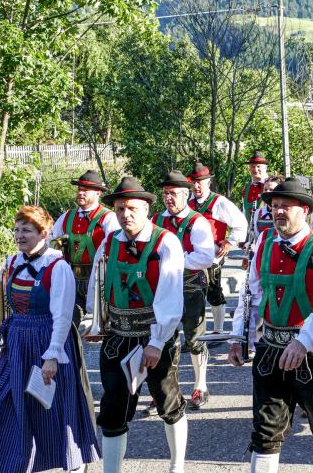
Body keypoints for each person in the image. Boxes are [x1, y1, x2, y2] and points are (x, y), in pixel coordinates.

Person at [227, 178, 313, 473]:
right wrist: (237, 336)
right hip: (270, 348)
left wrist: (303, 341)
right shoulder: (264, 242)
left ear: (304, 210)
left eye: (286, 207)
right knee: (265, 432)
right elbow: (252, 294)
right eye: (275, 206)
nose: (278, 212)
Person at [0, 206, 100, 473]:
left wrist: (52, 356)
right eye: (17, 229)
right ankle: (4, 464)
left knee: (55, 412)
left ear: (44, 233)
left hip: (48, 343)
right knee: (3, 405)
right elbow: (3, 303)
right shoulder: (11, 262)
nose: (19, 236)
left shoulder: (58, 267)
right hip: (17, 344)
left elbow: (63, 316)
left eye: (26, 230)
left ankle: (74, 465)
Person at [85, 177, 187, 473]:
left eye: (131, 208)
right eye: (119, 209)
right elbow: (98, 282)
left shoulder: (165, 241)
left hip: (155, 336)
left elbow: (170, 296)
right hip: (117, 336)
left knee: (167, 402)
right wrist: (95, 321)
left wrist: (156, 342)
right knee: (114, 408)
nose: (125, 214)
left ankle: (176, 467)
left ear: (145, 209)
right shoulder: (109, 241)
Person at [152, 171, 216, 409]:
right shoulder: (157, 220)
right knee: (163, 336)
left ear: (185, 195)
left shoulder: (197, 221)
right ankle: (168, 388)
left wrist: (173, 259)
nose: (169, 198)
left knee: (194, 339)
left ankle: (201, 386)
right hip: (163, 287)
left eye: (174, 194)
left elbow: (206, 257)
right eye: (166, 194)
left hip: (190, 284)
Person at [51, 170, 120, 324]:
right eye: (79, 189)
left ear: (98, 193)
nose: (80, 193)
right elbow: (51, 242)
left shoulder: (109, 218)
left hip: (98, 277)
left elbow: (116, 248)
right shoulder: (67, 216)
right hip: (72, 276)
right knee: (68, 320)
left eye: (85, 190)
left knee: (104, 320)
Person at [187, 162, 248, 335]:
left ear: (208, 182)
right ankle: (195, 333)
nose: (196, 185)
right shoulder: (187, 202)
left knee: (213, 290)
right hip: (191, 255)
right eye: (194, 182)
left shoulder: (219, 202)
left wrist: (230, 242)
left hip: (213, 254)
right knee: (192, 293)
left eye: (200, 182)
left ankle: (219, 329)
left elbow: (240, 223)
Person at [250, 176, 282, 242]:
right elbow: (257, 236)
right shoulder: (258, 212)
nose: (267, 192)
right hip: (263, 249)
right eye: (265, 189)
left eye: (271, 189)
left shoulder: (282, 211)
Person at [241, 151, 269, 223]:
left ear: (265, 167)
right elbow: (244, 212)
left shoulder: (272, 186)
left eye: (258, 166)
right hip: (249, 232)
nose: (255, 170)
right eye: (253, 166)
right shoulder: (246, 188)